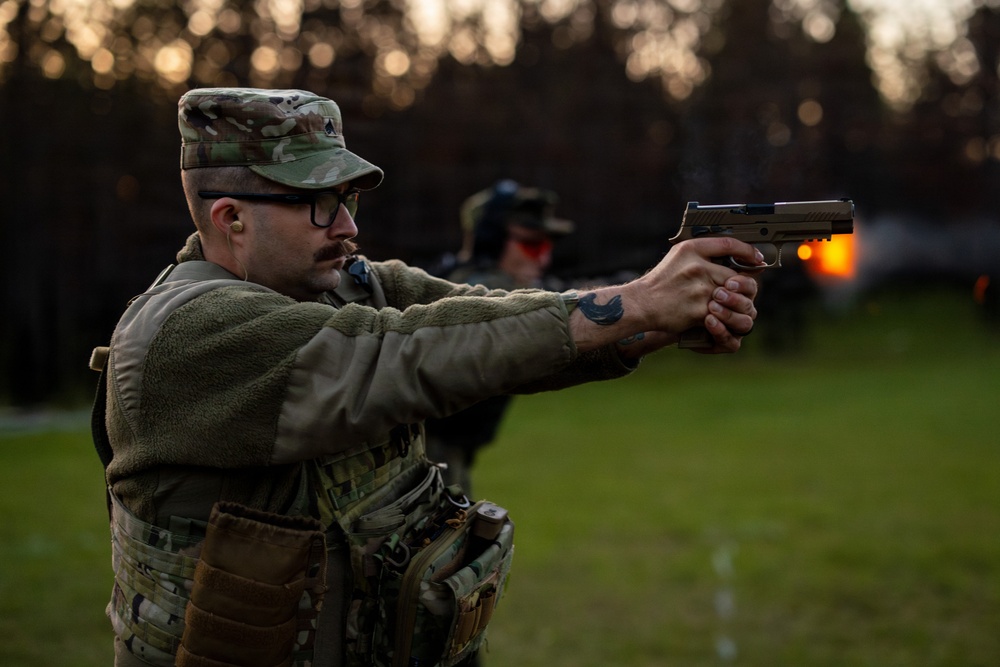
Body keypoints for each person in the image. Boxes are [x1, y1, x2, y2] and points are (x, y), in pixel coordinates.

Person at [90, 87, 761, 667]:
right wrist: (639, 302)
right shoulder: (186, 333)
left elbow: (493, 316)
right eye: (318, 203)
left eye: (347, 199)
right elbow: (409, 352)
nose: (347, 226)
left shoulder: (343, 285)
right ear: (231, 218)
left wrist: (663, 319)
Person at [425, 180, 574, 495]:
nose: (543, 259)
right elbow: (563, 307)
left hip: (448, 448)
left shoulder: (453, 276)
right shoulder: (481, 292)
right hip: (426, 454)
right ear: (491, 242)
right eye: (531, 245)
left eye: (546, 247)